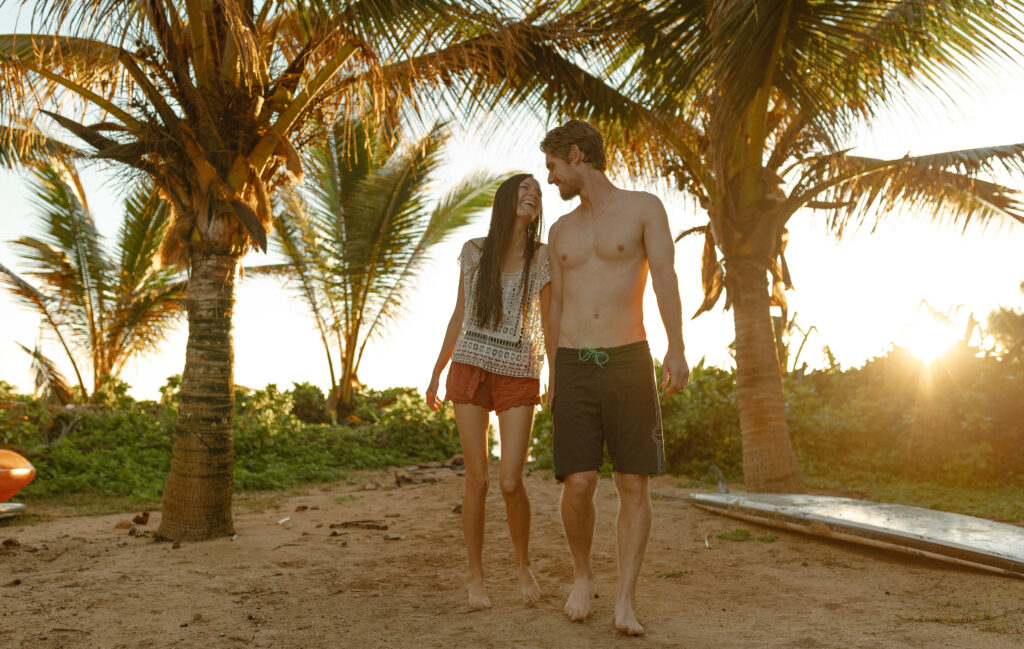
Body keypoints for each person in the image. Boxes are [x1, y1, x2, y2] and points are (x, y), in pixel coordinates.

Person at [542, 120, 690, 635]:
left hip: (629, 358)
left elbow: (666, 277)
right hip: (574, 361)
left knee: (632, 482)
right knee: (578, 483)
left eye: (554, 168)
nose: (550, 179)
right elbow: (555, 304)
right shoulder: (559, 231)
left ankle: (625, 598)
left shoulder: (644, 208)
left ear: (577, 156)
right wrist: (552, 370)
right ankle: (582, 575)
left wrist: (676, 347)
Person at [426, 173, 552, 609]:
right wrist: (437, 371)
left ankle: (522, 565)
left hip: (519, 369)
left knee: (511, 481)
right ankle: (476, 576)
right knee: (476, 480)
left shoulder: (543, 258)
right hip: (469, 365)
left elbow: (549, 323)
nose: (533, 195)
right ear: (506, 199)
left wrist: (554, 373)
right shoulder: (474, 252)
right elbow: (459, 313)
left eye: (538, 192)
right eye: (525, 189)